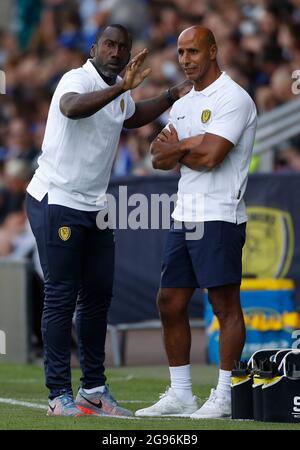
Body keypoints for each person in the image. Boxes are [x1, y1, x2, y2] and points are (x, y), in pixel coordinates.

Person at [26, 24, 191, 417]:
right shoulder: (77, 78)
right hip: (57, 198)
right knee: (62, 294)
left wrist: (170, 94)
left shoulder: (119, 90)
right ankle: (57, 394)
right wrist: (121, 88)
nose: (116, 52)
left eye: (123, 47)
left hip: (94, 204)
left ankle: (94, 389)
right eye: (109, 45)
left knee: (98, 294)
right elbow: (71, 107)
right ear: (94, 47)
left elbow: (131, 117)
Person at [135, 26, 257, 419]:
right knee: (169, 301)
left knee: (224, 305)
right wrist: (192, 144)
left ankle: (224, 395)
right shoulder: (183, 102)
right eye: (181, 52)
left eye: (193, 52)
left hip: (220, 213)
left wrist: (182, 147)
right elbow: (158, 158)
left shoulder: (234, 98)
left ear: (213, 51)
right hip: (183, 214)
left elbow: (212, 157)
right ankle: (182, 393)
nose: (185, 59)